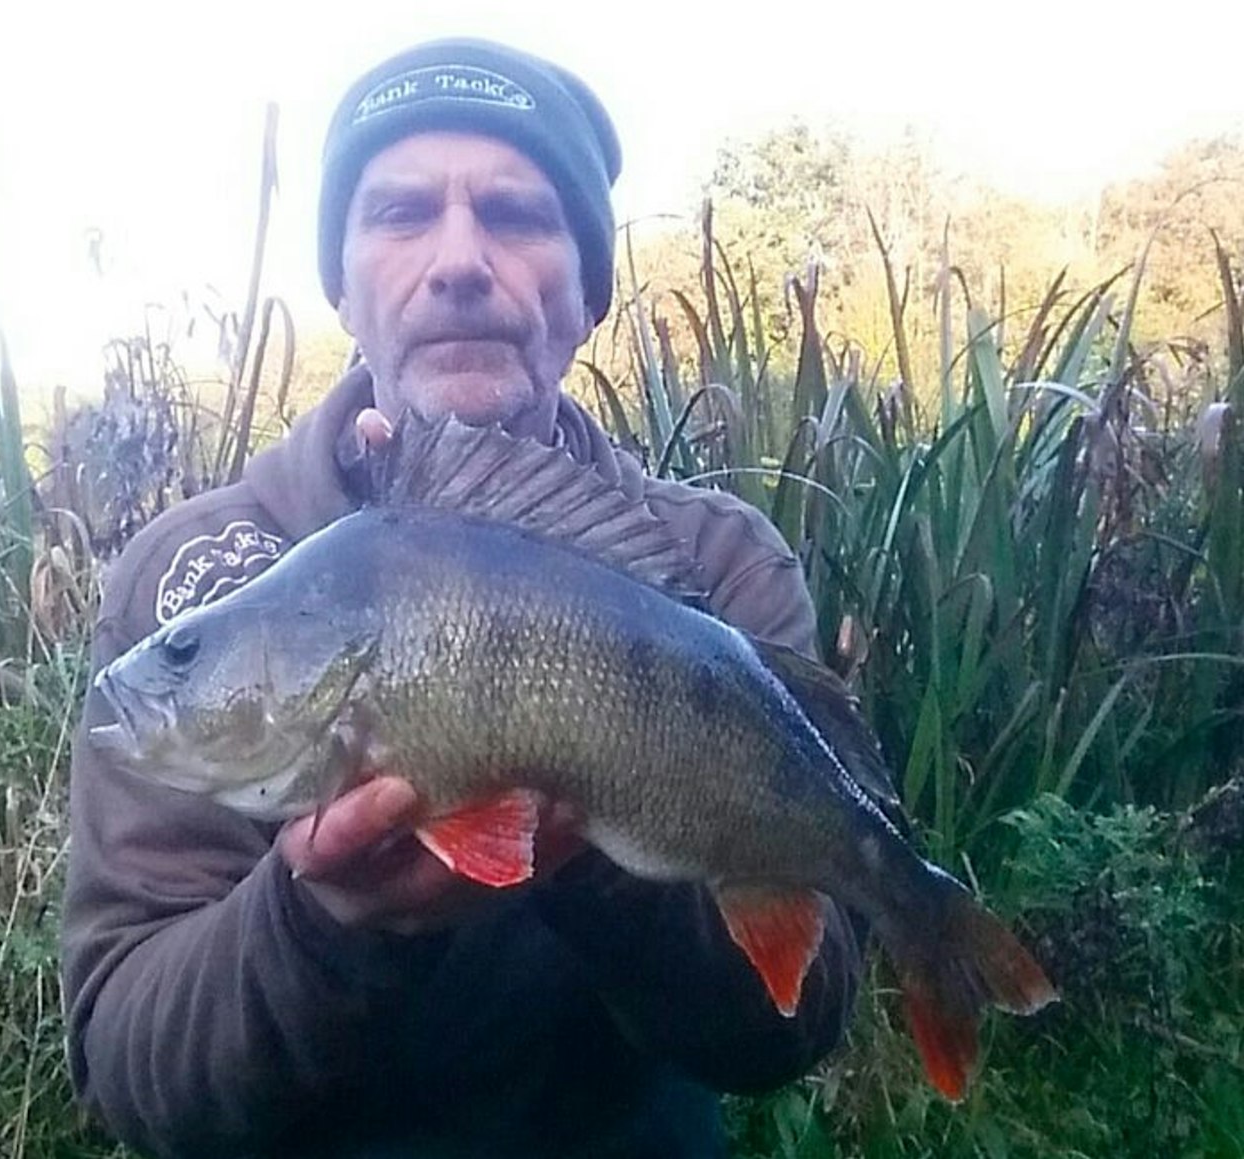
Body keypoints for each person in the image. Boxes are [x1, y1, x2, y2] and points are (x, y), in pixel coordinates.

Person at [63, 36, 862, 1159]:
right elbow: (131, 1073)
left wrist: (588, 856)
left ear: (588, 293)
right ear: (342, 283)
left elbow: (796, 1021)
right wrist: (324, 920)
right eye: (397, 213)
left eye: (520, 214)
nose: (458, 260)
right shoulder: (198, 573)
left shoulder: (715, 564)